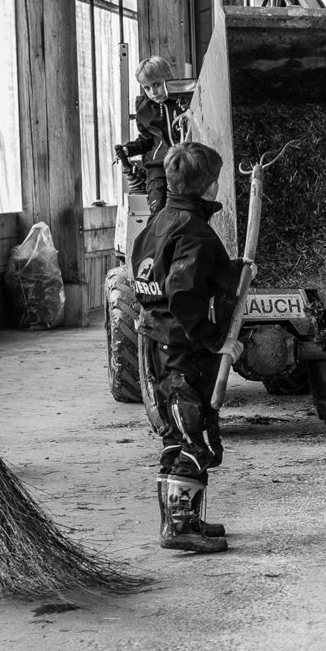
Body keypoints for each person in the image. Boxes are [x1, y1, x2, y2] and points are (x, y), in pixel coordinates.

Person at [132, 141, 236, 554]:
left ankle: (184, 519)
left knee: (176, 435)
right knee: (198, 438)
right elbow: (182, 292)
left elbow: (154, 280)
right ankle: (178, 528)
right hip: (183, 350)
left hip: (155, 344)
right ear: (209, 186)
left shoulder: (156, 223)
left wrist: (229, 272)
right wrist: (218, 340)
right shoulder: (194, 231)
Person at [124, 55, 185, 214]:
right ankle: (156, 233)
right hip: (157, 165)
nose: (153, 92)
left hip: (184, 163)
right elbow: (145, 140)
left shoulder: (183, 102)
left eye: (157, 84)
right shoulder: (144, 111)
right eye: (147, 88)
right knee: (157, 206)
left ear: (168, 78)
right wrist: (128, 150)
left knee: (183, 206)